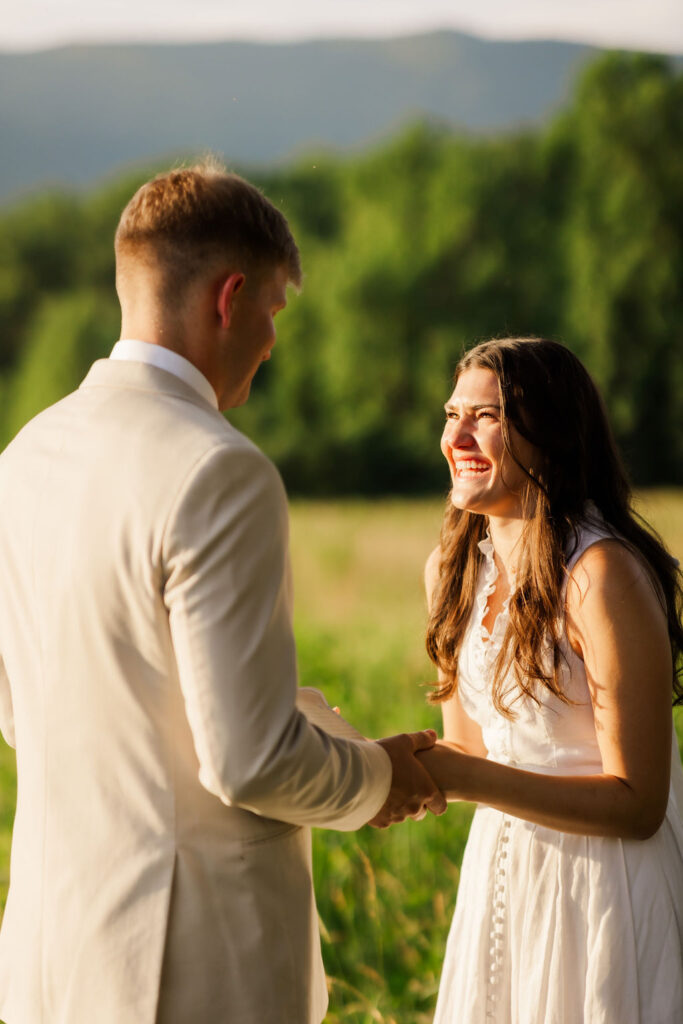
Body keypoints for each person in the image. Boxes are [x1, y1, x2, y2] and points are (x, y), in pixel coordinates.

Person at [0, 162, 446, 1024]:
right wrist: (375, 775)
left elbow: (25, 711)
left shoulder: (23, 459)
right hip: (192, 968)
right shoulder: (219, 470)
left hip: (49, 957)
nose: (273, 343)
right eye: (274, 312)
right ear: (230, 296)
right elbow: (248, 762)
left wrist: (304, 719)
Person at [416, 337, 683, 1023]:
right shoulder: (450, 573)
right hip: (503, 877)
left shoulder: (601, 575)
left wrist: (464, 780)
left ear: (552, 434)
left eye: (487, 415)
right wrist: (373, 767)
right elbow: (468, 754)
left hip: (602, 889)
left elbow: (638, 803)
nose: (458, 435)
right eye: (453, 414)